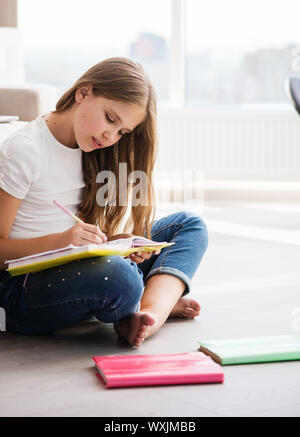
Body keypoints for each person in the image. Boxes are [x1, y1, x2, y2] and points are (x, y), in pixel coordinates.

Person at [0, 57, 208, 347]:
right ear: (83, 93)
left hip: (78, 264)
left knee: (187, 225)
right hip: (24, 287)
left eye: (122, 131)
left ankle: (149, 312)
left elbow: (78, 241)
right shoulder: (25, 150)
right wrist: (64, 241)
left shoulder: (91, 149)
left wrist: (114, 243)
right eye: (111, 119)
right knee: (118, 277)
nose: (112, 137)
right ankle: (145, 301)